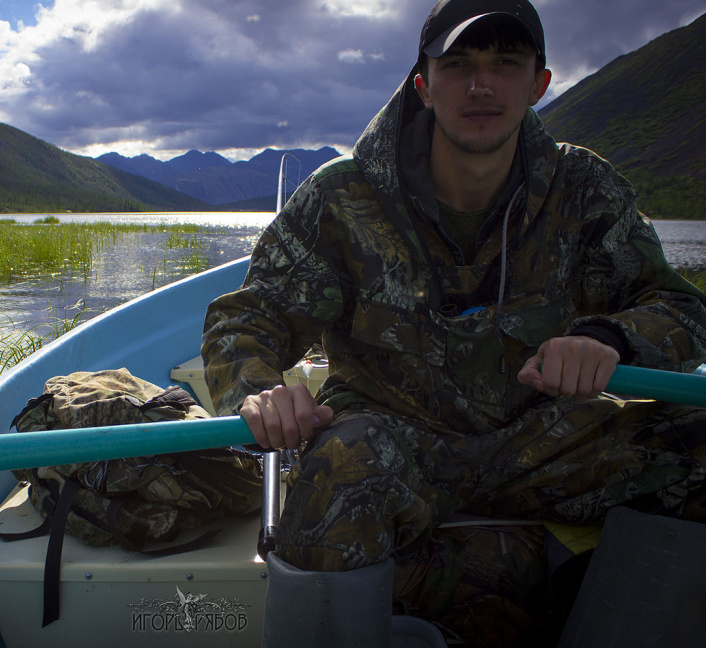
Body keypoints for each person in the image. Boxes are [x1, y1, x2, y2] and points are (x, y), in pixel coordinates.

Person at [201, 0, 706, 645]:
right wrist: (258, 390)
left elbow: (679, 308)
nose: (481, 85)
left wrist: (608, 339)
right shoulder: (342, 197)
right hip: (394, 442)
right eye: (460, 64)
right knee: (335, 471)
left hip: (544, 439)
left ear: (540, 83)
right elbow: (249, 316)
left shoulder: (584, 190)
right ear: (424, 84)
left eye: (506, 63)